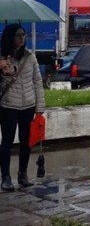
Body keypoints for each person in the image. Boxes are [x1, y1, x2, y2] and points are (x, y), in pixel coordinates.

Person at [0, 25, 45, 192]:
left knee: (27, 141)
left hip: (28, 106)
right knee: (7, 141)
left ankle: (22, 174)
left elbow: (38, 82)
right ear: (10, 37)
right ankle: (5, 177)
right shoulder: (2, 57)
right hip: (8, 105)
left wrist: (40, 106)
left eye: (23, 35)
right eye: (18, 35)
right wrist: (2, 71)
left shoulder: (30, 57)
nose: (22, 38)